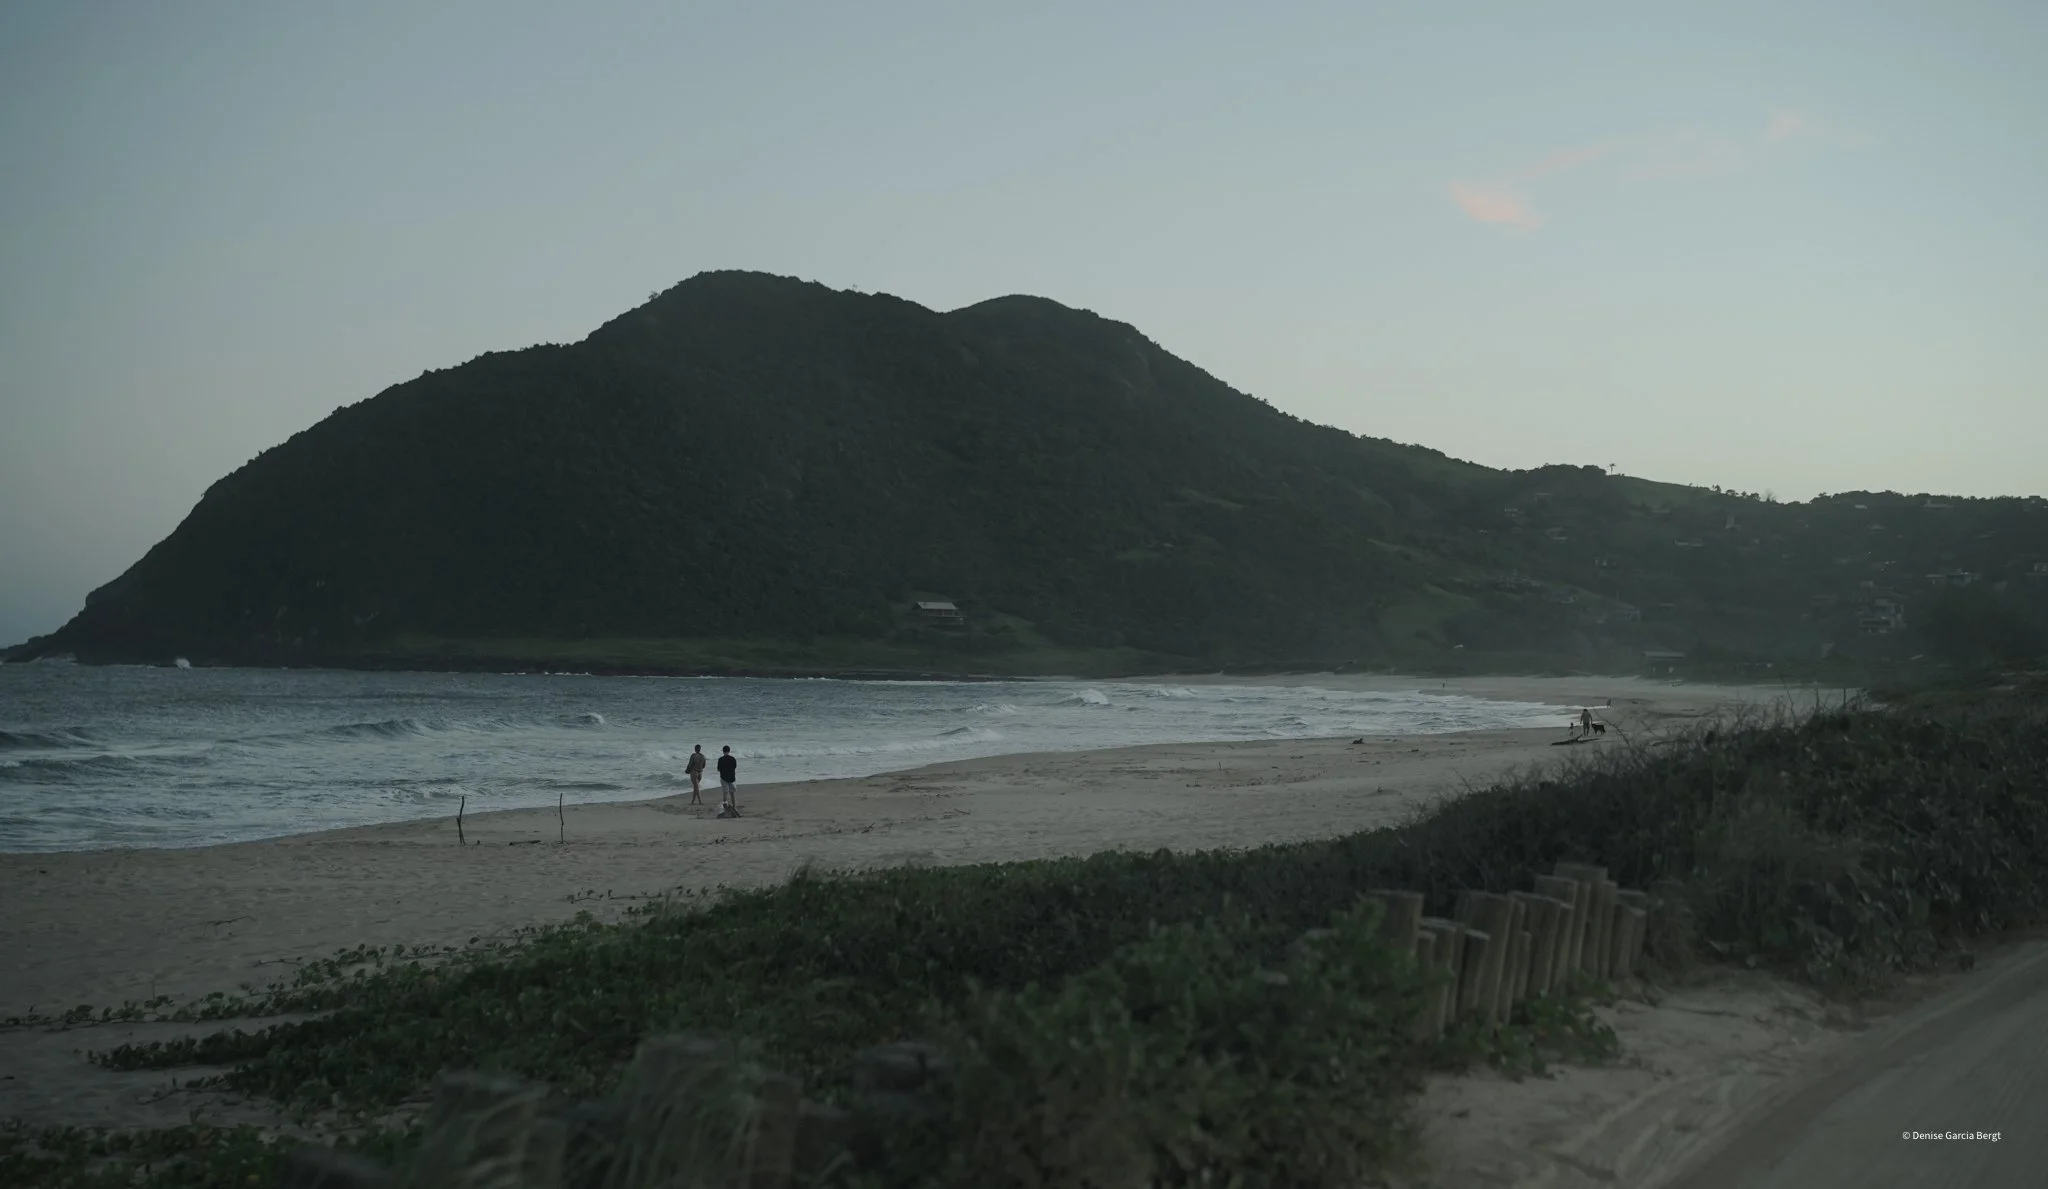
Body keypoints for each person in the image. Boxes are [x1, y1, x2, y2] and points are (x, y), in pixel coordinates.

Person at [716, 745, 738, 811]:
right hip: (732, 778)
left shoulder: (720, 759)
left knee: (725, 793)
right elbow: (735, 767)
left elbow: (718, 769)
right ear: (729, 751)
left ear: (723, 751)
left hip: (723, 777)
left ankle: (725, 809)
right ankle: (734, 807)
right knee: (732, 793)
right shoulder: (733, 758)